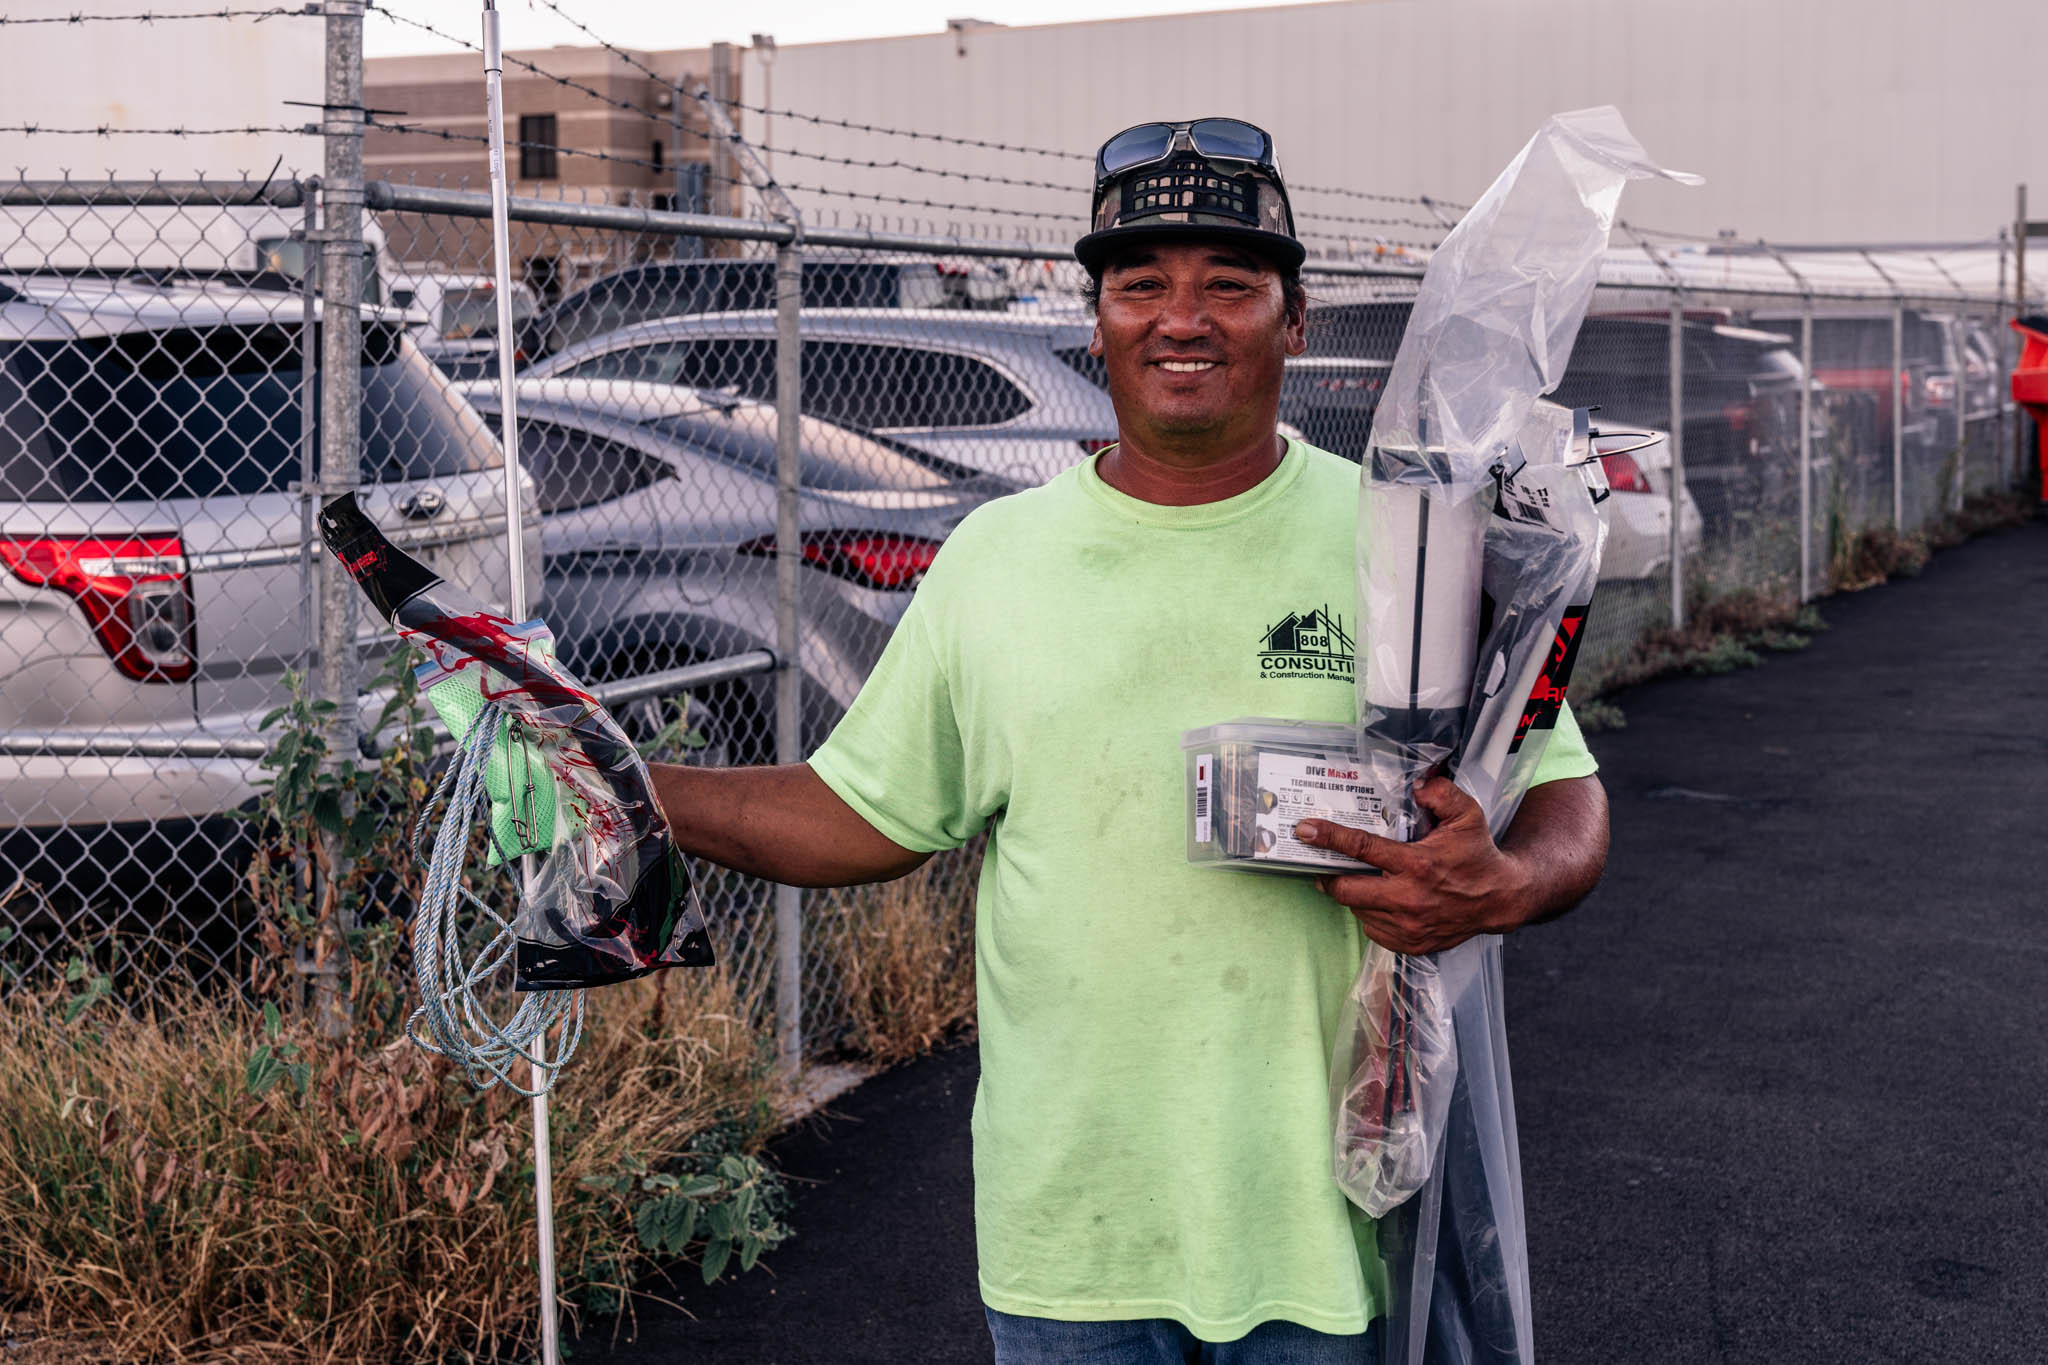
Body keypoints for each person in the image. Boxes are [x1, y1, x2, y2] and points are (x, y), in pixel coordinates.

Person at [650, 117, 1609, 1365]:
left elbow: (1566, 797)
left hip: (1335, 1230)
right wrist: (624, 784)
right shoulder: (996, 562)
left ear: (1294, 318)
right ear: (1093, 317)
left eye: (1230, 283)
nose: (1182, 316)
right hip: (1076, 1236)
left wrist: (1503, 882)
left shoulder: (1406, 543)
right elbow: (861, 817)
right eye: (1139, 283)